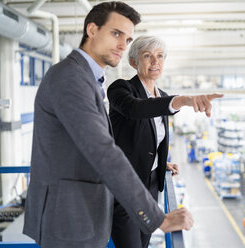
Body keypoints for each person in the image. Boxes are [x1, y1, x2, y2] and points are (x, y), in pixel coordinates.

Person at [23, 3, 193, 248]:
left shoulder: (88, 79)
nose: (123, 45)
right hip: (69, 218)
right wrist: (159, 219)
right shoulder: (70, 78)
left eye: (128, 38)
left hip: (83, 214)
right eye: (116, 34)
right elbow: (103, 151)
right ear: (92, 30)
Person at [107, 35, 223, 248]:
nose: (155, 62)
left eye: (160, 56)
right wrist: (185, 100)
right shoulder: (120, 89)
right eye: (147, 56)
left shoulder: (163, 96)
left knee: (143, 243)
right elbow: (136, 109)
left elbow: (152, 139)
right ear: (134, 62)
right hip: (124, 188)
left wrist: (160, 162)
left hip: (150, 185)